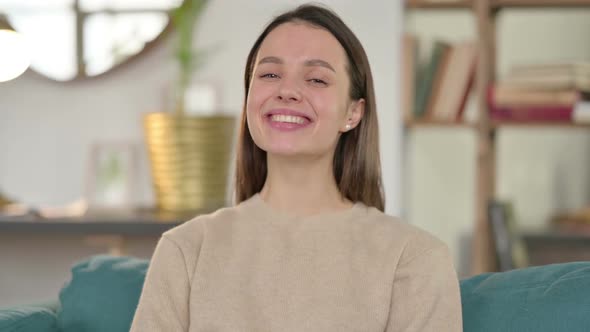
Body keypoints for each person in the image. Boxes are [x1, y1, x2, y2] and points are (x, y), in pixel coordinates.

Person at [131, 4, 462, 331]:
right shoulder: (187, 249)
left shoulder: (415, 258)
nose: (287, 91)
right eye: (270, 74)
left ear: (353, 113)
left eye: (316, 79)